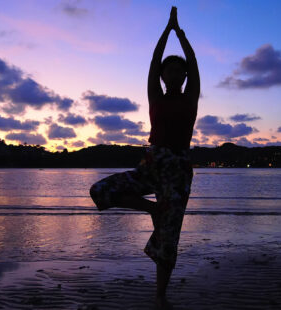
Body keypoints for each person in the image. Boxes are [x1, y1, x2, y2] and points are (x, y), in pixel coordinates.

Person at [89, 6, 199, 309]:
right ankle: (151, 209)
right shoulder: (156, 96)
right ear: (163, 76)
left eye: (179, 70)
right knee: (100, 190)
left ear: (185, 75)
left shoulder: (191, 98)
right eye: (169, 70)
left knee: (169, 236)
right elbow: (153, 61)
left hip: (178, 170)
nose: (174, 73)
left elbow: (193, 63)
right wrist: (167, 30)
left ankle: (160, 295)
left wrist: (182, 35)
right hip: (153, 164)